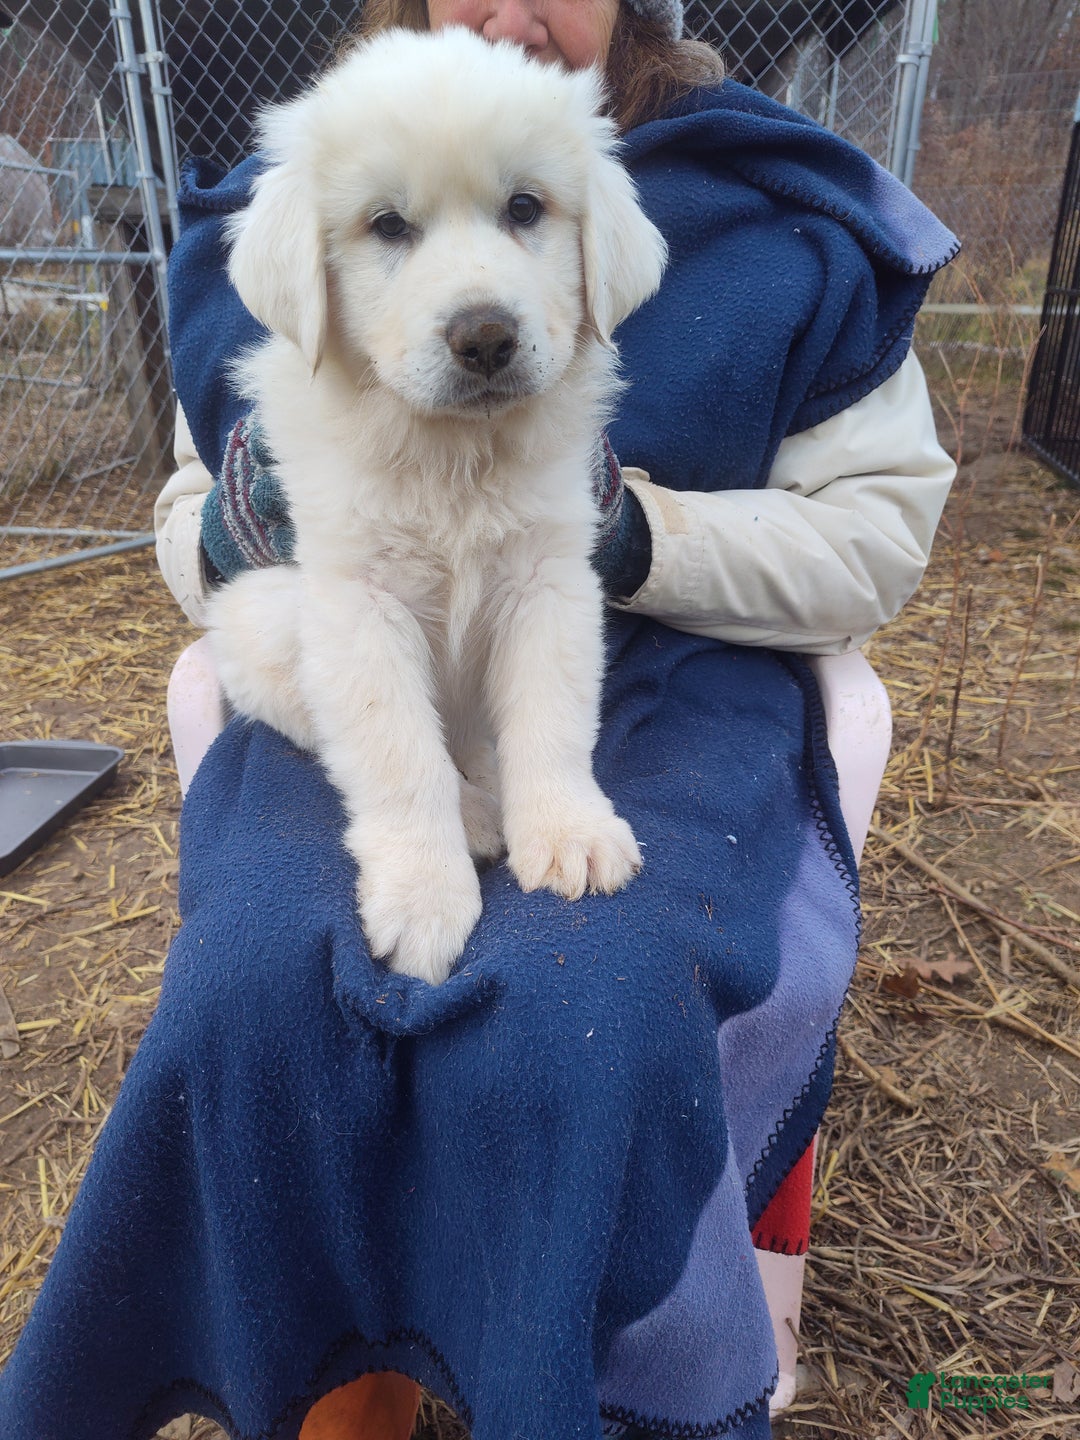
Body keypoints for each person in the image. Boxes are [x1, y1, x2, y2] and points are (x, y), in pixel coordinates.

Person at [0, 3, 958, 1439]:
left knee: (586, 1004)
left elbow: (819, 547)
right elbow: (251, 561)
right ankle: (337, 1382)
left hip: (683, 683)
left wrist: (624, 572)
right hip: (361, 707)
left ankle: (583, 1372)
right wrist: (233, 525)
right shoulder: (305, 181)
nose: (481, 293)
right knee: (260, 987)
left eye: (521, 215)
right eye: (391, 229)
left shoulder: (789, 208)